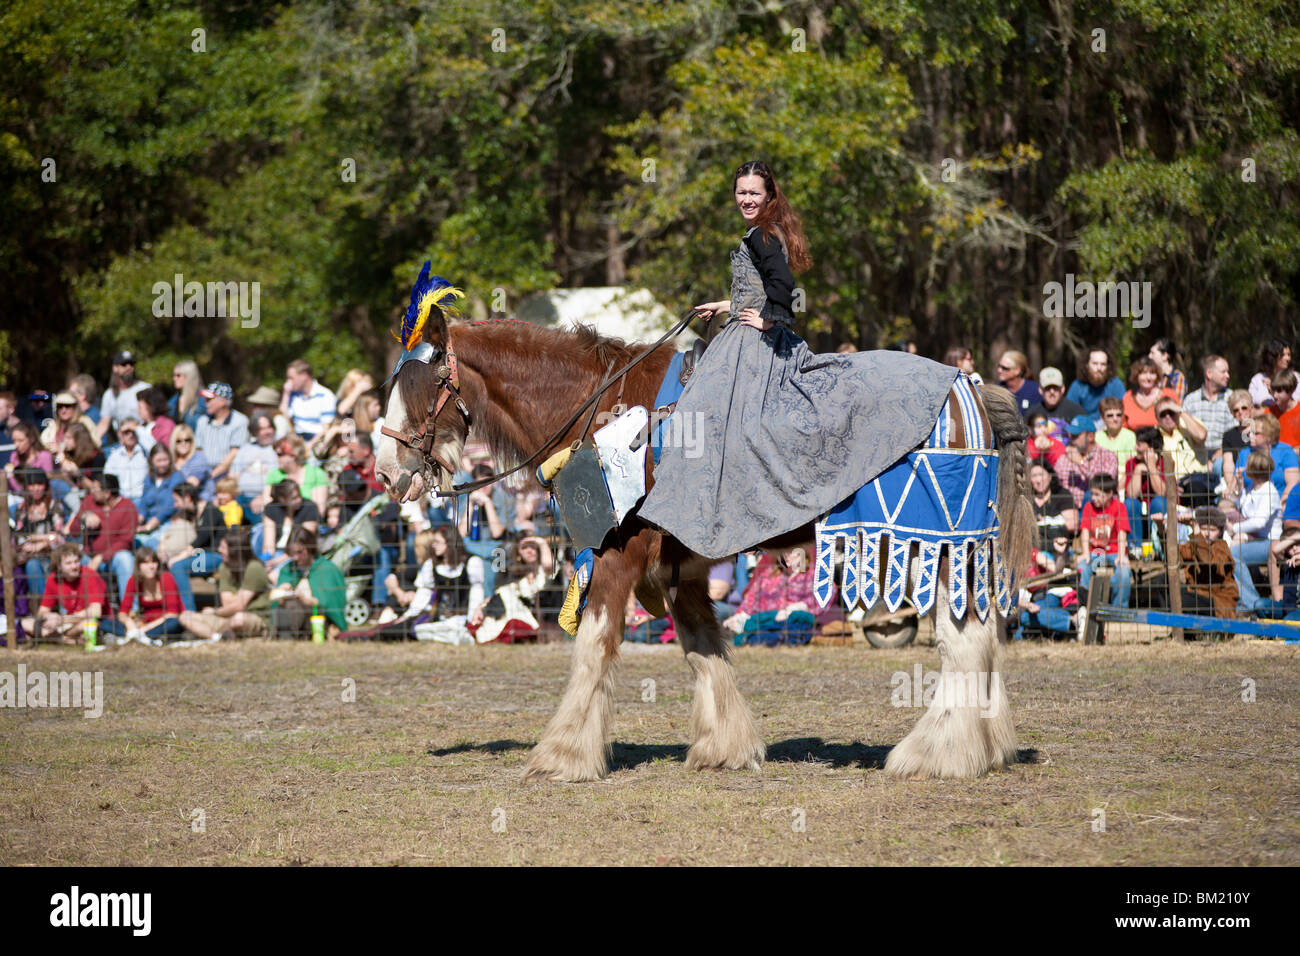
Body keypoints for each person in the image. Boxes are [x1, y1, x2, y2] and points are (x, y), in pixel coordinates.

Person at [638, 160, 957, 559]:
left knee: (708, 418)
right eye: (741, 192)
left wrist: (768, 319)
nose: (746, 199)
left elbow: (783, 288)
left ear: (769, 195)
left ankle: (711, 515)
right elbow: (761, 286)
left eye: (754, 192)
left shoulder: (761, 235)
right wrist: (726, 305)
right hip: (745, 331)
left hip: (752, 348)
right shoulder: (765, 232)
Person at [179, 527, 272, 639]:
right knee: (185, 616)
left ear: (234, 550)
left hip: (253, 617)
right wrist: (233, 604)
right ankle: (218, 638)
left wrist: (214, 611)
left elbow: (239, 606)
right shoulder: (224, 567)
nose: (219, 550)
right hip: (226, 618)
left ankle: (211, 633)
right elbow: (228, 603)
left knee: (238, 619)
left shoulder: (254, 567)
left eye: (223, 547)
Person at [722, 547, 820, 646]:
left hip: (790, 624)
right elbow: (750, 600)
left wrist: (797, 607)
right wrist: (737, 616)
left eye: (791, 551)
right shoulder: (768, 574)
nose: (785, 554)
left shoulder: (812, 576)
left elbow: (822, 600)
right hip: (760, 621)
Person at [68, 472, 139, 603]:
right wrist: (83, 519)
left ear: (107, 493)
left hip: (112, 559)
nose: (92, 491)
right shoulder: (89, 501)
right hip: (88, 556)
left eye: (95, 489)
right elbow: (73, 531)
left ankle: (129, 609)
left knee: (125, 559)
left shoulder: (128, 507)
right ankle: (71, 609)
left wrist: (101, 557)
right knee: (67, 561)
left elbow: (126, 540)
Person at [161, 482, 230, 612]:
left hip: (215, 556)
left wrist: (177, 558)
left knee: (177, 566)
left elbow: (198, 542)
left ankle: (188, 611)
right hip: (198, 556)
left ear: (187, 497)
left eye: (177, 500)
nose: (175, 505)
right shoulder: (191, 513)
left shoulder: (211, 512)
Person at [268, 527, 346, 639]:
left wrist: (305, 600)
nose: (295, 557)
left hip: (318, 619)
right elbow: (275, 601)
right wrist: (282, 590)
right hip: (290, 614)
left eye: (300, 552)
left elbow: (330, 604)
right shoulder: (288, 569)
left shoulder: (327, 569)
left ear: (310, 548)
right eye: (292, 553)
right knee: (288, 606)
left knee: (293, 606)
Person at [1226, 451, 1280, 611]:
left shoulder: (1269, 491)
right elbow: (1239, 506)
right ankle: (1243, 599)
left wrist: (1234, 528)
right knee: (1231, 549)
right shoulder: (1252, 488)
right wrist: (1238, 486)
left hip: (1269, 542)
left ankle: (1250, 602)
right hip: (1254, 538)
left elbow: (1259, 521)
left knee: (1233, 554)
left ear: (1253, 470)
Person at [99, 547, 185, 643]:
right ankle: (142, 637)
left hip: (164, 622)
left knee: (173, 623)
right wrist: (129, 623)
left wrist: (145, 629)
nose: (151, 566)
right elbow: (123, 612)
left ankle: (138, 637)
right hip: (144, 623)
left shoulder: (166, 578)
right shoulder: (134, 580)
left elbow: (172, 614)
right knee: (105, 624)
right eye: (146, 563)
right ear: (138, 566)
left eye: (154, 562)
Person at [1077, 472, 1131, 610]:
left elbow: (1121, 533)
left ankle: (1119, 609)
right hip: (1097, 552)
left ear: (1109, 494)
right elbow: (1084, 531)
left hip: (1114, 552)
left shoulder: (1119, 507)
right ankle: (1087, 607)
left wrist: (1121, 555)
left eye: (1097, 494)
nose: (1093, 498)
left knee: (1123, 573)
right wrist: (1085, 553)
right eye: (1092, 494)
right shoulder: (1089, 507)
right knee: (1084, 568)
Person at [36, 543, 108, 644]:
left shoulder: (90, 575)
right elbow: (42, 611)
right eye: (68, 563)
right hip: (70, 622)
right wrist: (50, 617)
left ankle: (62, 639)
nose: (74, 566)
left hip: (97, 622)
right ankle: (70, 640)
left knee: (89, 624)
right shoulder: (53, 579)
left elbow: (96, 611)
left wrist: (64, 619)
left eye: (76, 561)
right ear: (59, 566)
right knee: (29, 624)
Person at [13, 468, 66, 602]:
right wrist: (44, 537)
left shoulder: (54, 505)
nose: (36, 488)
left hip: (51, 554)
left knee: (38, 564)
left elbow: (60, 536)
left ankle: (47, 604)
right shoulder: (22, 508)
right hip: (29, 556)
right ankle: (42, 605)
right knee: (32, 564)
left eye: (39, 484)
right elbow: (18, 537)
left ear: (45, 485)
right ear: (26, 487)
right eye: (32, 485)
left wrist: (41, 543)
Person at [1178, 507, 1237, 619]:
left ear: (1220, 532)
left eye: (1212, 530)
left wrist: (1196, 530)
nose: (1207, 534)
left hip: (1218, 605)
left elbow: (1207, 560)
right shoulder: (1195, 544)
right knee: (1165, 585)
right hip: (1198, 598)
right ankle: (1187, 629)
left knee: (1181, 596)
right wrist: (1162, 530)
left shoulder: (1222, 547)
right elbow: (1173, 560)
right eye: (1203, 529)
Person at [193, 382, 250, 498]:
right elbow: (198, 451)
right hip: (205, 475)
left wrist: (212, 475)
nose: (206, 403)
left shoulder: (240, 421)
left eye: (210, 400)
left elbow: (234, 453)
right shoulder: (202, 421)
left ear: (223, 401)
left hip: (229, 477)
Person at [1053, 415, 1119, 511]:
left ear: (1090, 436)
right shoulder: (1065, 457)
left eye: (1076, 436)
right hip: (1070, 509)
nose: (1072, 439)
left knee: (1089, 495)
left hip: (1100, 510)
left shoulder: (1108, 456)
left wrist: (1081, 463)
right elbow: (1056, 482)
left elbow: (1104, 484)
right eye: (1070, 435)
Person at [1183, 355, 1234, 472]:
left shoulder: (1231, 398)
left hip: (1223, 456)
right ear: (1209, 374)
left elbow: (1235, 433)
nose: (1228, 376)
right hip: (1194, 455)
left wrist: (1219, 455)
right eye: (1223, 372)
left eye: (1228, 372)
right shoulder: (1191, 400)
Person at [259, 478, 321, 572]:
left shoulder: (310, 508)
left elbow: (302, 543)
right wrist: (267, 561)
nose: (298, 500)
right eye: (293, 498)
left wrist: (276, 562)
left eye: (299, 496)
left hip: (297, 555)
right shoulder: (271, 509)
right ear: (282, 499)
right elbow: (268, 544)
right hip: (276, 553)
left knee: (280, 572)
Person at [260, 434, 329, 514]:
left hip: (308, 522)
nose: (277, 458)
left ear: (293, 455)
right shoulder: (273, 475)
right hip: (279, 521)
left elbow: (319, 511)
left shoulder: (316, 474)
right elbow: (267, 507)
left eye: (280, 454)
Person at [1123, 427, 1169, 546]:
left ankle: (1159, 546)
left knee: (1158, 502)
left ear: (1151, 448)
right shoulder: (1132, 463)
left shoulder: (1166, 462)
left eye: (1139, 445)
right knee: (1129, 503)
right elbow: (1131, 494)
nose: (1135, 448)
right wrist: (1138, 470)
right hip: (1139, 510)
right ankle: (1135, 548)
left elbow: (1161, 492)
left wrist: (1151, 467)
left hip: (1158, 508)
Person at [1029, 462, 1077, 573]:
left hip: (1058, 548)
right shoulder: (1027, 498)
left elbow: (1072, 525)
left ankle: (1055, 569)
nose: (1038, 480)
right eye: (1034, 476)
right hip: (1034, 549)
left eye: (1041, 475)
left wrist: (1043, 523)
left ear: (1050, 476)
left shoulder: (1062, 494)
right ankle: (1055, 569)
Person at [97, 350, 150, 444]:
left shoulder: (145, 389)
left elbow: (153, 419)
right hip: (123, 444)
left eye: (131, 364)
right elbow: (104, 424)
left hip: (144, 441)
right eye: (124, 364)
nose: (128, 367)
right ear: (115, 368)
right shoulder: (109, 395)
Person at [230, 412, 280, 514]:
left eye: (269, 427)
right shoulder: (245, 448)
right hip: (241, 497)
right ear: (254, 432)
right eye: (262, 429)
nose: (267, 432)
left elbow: (281, 479)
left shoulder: (279, 449)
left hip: (266, 497)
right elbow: (233, 475)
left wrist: (262, 496)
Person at [135, 444, 183, 540]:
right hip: (148, 520)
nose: (162, 464)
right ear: (152, 461)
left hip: (167, 521)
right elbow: (143, 502)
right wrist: (138, 521)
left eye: (165, 460)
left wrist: (148, 527)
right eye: (159, 461)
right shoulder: (149, 478)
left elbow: (169, 506)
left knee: (153, 540)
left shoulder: (176, 477)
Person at [280, 359, 337, 441]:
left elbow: (326, 428)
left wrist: (309, 446)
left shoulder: (325, 395)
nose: (288, 382)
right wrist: (286, 393)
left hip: (317, 440)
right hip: (297, 438)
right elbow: (284, 416)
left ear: (304, 375)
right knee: (279, 420)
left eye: (291, 378)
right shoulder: (293, 395)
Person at [1025, 366, 1085, 440]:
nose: (1052, 392)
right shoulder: (1031, 414)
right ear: (1040, 390)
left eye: (1056, 388)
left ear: (1062, 389)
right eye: (1047, 388)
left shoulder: (1076, 412)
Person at [1066, 347, 1126, 420]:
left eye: (1103, 364)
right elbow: (1069, 414)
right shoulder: (1077, 386)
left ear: (1108, 367)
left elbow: (1123, 413)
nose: (1099, 368)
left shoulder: (1116, 385)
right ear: (1087, 365)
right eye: (1095, 364)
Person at [1121, 357, 1178, 431]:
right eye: (1143, 373)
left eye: (1152, 373)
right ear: (1136, 376)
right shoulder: (1128, 397)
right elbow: (1123, 427)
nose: (1148, 378)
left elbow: (1179, 420)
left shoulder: (1169, 394)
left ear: (1157, 376)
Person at [103, 418, 149, 500]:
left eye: (133, 432)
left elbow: (154, 447)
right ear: (120, 434)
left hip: (142, 498)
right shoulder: (115, 455)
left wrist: (137, 428)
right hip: (121, 498)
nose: (131, 435)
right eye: (126, 432)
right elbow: (108, 476)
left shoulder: (145, 451)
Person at [1094, 396, 1137, 478]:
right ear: (1102, 418)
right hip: (1101, 478)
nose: (1115, 419)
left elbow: (1130, 466)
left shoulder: (1130, 436)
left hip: (1125, 477)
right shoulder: (1097, 437)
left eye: (1119, 415)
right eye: (1110, 415)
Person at [1249, 339, 1293, 407]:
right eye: (1283, 355)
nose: (1288, 358)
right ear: (1272, 357)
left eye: (1289, 355)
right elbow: (1250, 404)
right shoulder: (1257, 380)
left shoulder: (1295, 378)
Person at [169, 424, 211, 492]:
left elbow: (192, 484)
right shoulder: (171, 460)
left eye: (187, 440)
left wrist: (179, 470)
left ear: (192, 441)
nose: (183, 443)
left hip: (197, 498)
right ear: (174, 442)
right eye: (179, 441)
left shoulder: (199, 458)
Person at [168, 360, 207, 430]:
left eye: (178, 375)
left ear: (189, 376)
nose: (174, 379)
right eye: (174, 375)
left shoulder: (203, 399)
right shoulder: (172, 401)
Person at [1266, 369, 1300, 448]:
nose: (1275, 395)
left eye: (1279, 391)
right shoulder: (1269, 413)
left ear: (1291, 390)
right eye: (1273, 391)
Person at [136, 386, 175, 452]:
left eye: (140, 407)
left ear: (150, 407)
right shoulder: (143, 424)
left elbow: (163, 451)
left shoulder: (165, 425)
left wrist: (138, 430)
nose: (137, 410)